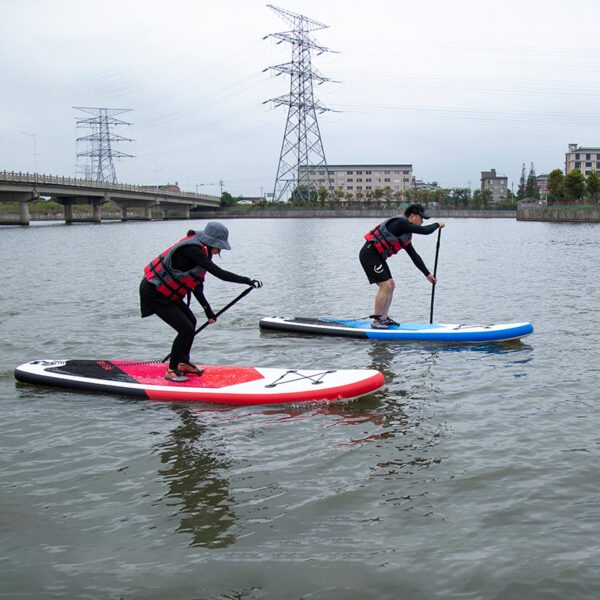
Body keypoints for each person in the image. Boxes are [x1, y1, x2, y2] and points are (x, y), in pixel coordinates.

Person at [140, 221, 262, 382]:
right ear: (211, 241)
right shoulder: (192, 250)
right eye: (219, 246)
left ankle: (183, 363)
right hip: (154, 292)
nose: (219, 250)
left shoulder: (202, 251)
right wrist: (247, 280)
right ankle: (171, 370)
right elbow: (218, 273)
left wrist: (207, 310)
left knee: (191, 321)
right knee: (185, 329)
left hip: (167, 293)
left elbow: (196, 285)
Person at [359, 203, 445, 329]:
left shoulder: (405, 235)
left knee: (391, 284)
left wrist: (427, 274)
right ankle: (377, 321)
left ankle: (384, 318)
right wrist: (438, 224)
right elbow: (426, 231)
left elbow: (414, 256)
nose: (422, 222)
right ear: (413, 216)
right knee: (385, 285)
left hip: (377, 257)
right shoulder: (400, 224)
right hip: (369, 254)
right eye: (421, 219)